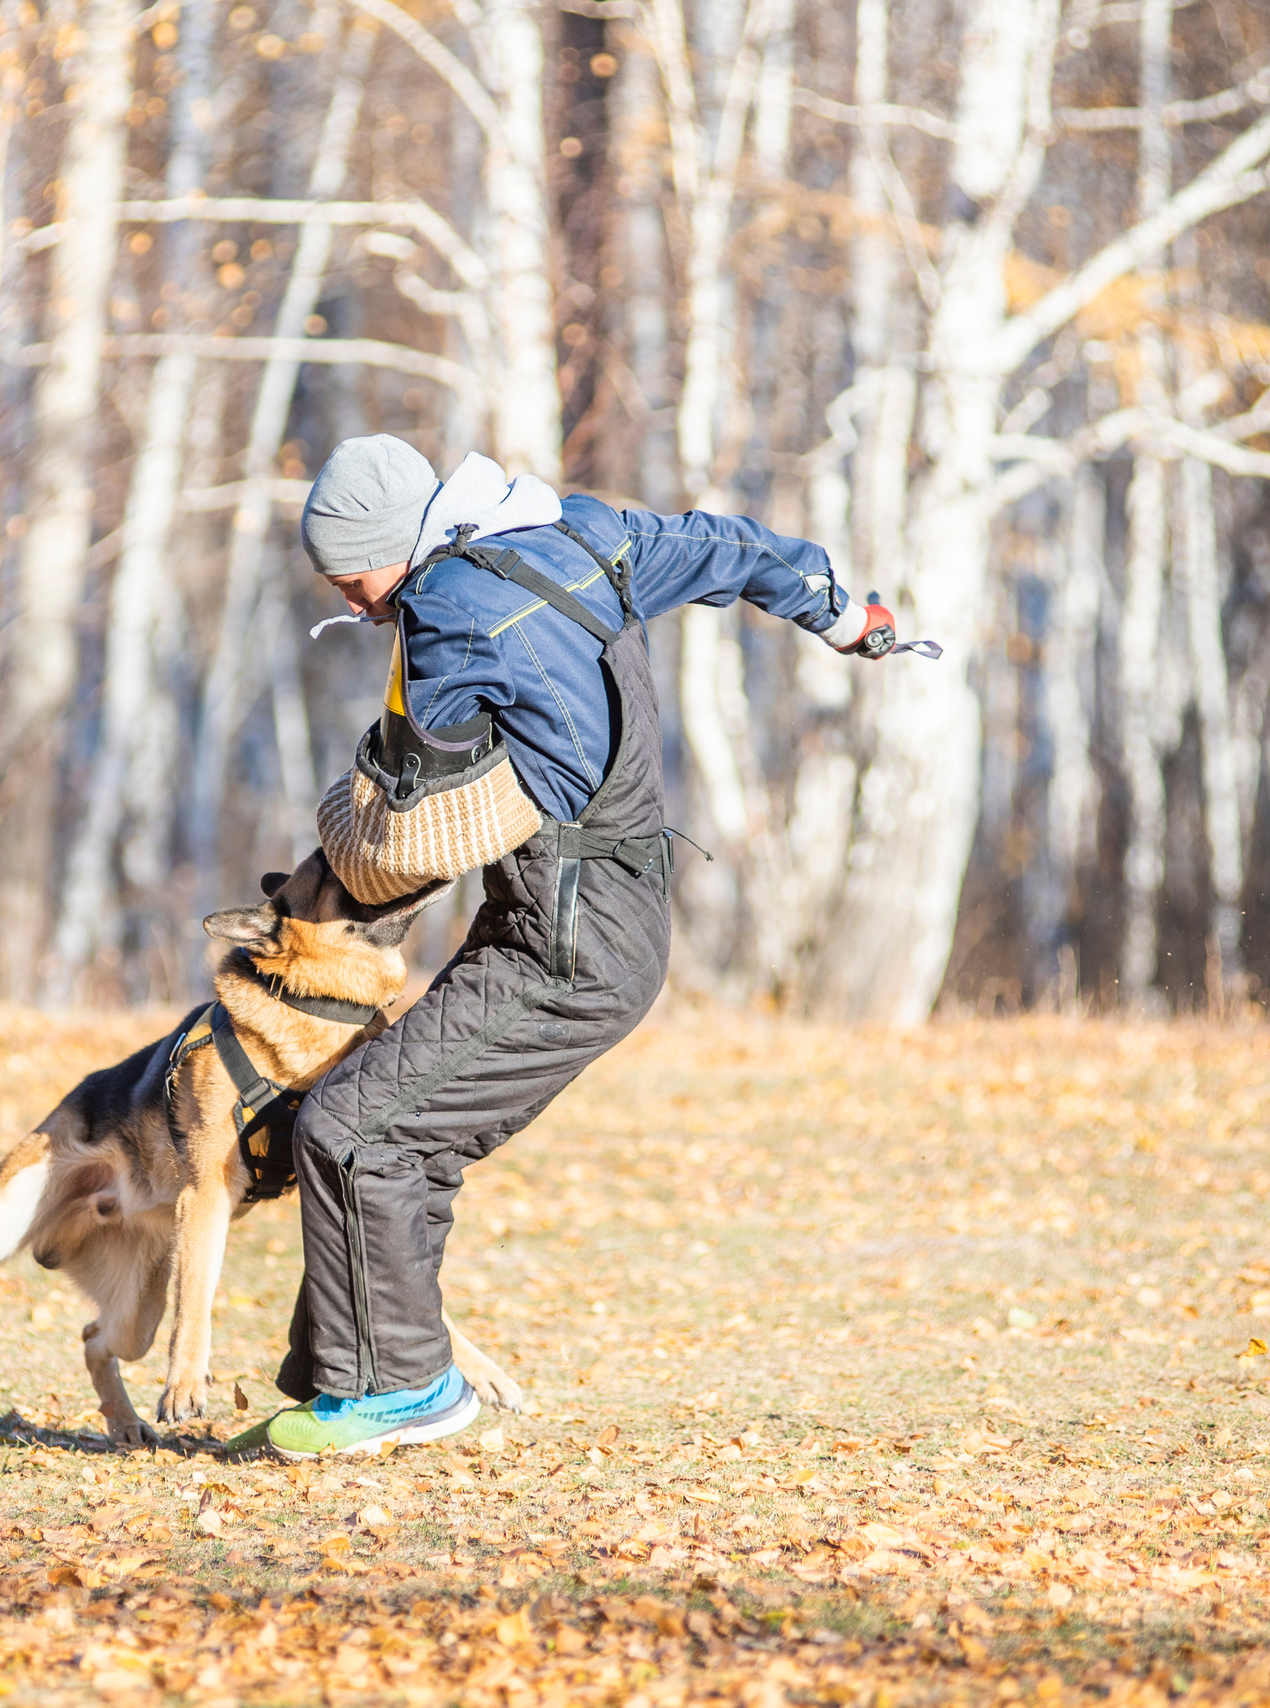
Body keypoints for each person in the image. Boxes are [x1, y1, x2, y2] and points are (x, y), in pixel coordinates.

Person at [262, 434, 900, 1460]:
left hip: (569, 941)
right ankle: (360, 1384)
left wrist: (351, 822)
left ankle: (403, 1389)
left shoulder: (446, 619)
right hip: (597, 911)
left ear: (391, 547)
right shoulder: (579, 532)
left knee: (353, 1126)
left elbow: (407, 829)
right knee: (400, 1123)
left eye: (353, 579)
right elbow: (723, 545)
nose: (354, 604)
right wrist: (834, 610)